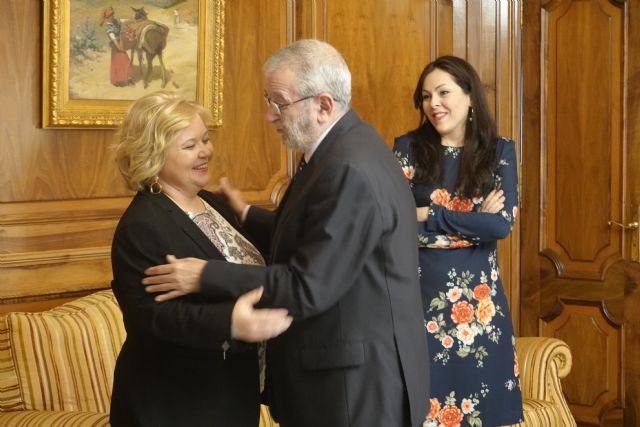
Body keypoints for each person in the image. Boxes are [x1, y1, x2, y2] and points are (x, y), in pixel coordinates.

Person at [142, 39, 430, 427]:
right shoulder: (342, 150)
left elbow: (309, 285)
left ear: (323, 105)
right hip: (347, 380)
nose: (269, 115)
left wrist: (204, 275)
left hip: (352, 390)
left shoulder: (347, 169)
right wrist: (245, 214)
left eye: (279, 103)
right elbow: (316, 235)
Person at [109, 91, 292, 427]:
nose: (206, 151)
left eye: (205, 140)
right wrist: (230, 323)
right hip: (174, 403)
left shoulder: (212, 203)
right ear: (154, 155)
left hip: (229, 393)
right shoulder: (141, 225)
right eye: (190, 145)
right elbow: (154, 316)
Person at [393, 56, 524, 426]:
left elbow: (500, 226)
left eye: (443, 92)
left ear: (470, 96)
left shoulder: (500, 152)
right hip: (419, 307)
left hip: (481, 315)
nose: (433, 103)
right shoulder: (408, 149)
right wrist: (472, 223)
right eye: (426, 95)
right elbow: (392, 220)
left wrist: (429, 215)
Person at [99, 6, 133, 87]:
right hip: (116, 47)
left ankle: (127, 79)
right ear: (107, 17)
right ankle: (118, 80)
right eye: (111, 15)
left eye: (113, 15)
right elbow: (113, 39)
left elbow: (123, 20)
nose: (113, 16)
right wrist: (120, 48)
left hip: (120, 43)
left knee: (125, 61)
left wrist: (131, 20)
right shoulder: (108, 27)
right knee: (119, 63)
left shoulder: (115, 21)